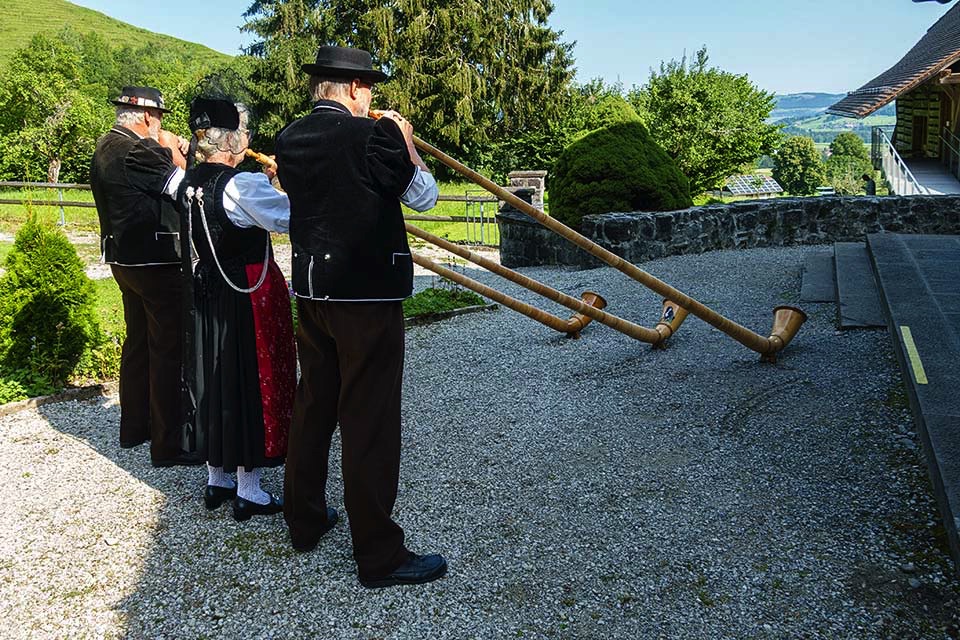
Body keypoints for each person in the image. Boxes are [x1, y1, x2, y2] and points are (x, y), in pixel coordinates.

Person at [275, 45, 446, 588]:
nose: (371, 96)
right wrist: (407, 140)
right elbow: (424, 197)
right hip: (367, 295)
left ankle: (303, 519)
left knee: (314, 405)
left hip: (313, 292)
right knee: (369, 421)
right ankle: (378, 554)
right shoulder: (375, 134)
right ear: (353, 88)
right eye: (368, 86)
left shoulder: (289, 138)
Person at [176, 98, 296, 521]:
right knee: (248, 378)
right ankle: (249, 488)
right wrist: (288, 182)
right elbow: (287, 218)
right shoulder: (241, 184)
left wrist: (266, 184)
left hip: (209, 288)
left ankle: (217, 478)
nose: (248, 138)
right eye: (243, 132)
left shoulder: (187, 180)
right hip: (245, 289)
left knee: (214, 377)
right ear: (229, 141)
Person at [90, 86, 200, 467]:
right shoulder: (141, 149)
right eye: (161, 119)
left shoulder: (104, 146)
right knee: (168, 349)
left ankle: (134, 427)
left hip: (123, 260)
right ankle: (168, 444)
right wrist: (177, 153)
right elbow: (185, 190)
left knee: (137, 343)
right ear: (149, 117)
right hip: (155, 261)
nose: (162, 126)